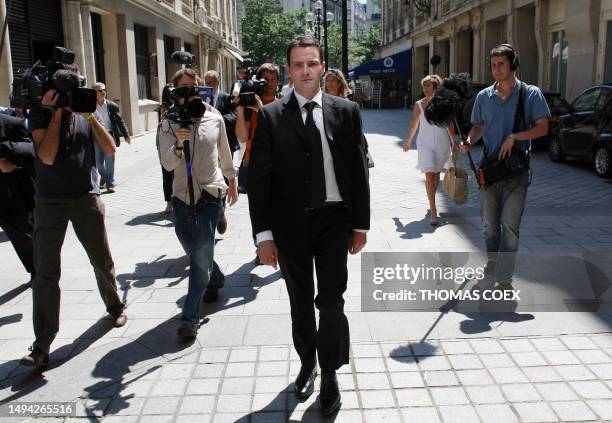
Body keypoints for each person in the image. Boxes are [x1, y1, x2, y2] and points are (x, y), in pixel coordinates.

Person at [248, 35, 370, 415]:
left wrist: (361, 225)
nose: (305, 70)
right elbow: (259, 180)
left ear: (322, 67)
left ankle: (330, 372)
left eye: (311, 63)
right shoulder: (270, 116)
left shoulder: (346, 110)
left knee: (331, 301)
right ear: (289, 70)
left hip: (335, 221)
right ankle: (307, 363)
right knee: (300, 302)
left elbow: (356, 169)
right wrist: (264, 236)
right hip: (291, 226)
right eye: (298, 64)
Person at [22, 76, 128, 367]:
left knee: (101, 260)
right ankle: (42, 344)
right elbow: (45, 156)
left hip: (86, 198)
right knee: (45, 273)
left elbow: (109, 149)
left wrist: (90, 117)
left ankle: (115, 306)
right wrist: (56, 114)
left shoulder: (85, 115)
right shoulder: (41, 116)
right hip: (49, 203)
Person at [460, 44, 549, 285]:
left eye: (501, 64)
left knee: (510, 226)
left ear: (513, 65)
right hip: (489, 169)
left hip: (516, 171)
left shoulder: (530, 94)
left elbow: (543, 127)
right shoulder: (483, 96)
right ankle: (493, 260)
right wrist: (469, 140)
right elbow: (478, 126)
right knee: (490, 226)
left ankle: (505, 275)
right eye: (493, 65)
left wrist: (515, 137)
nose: (496, 69)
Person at [159, 68, 238, 338]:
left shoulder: (214, 117)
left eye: (195, 88)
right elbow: (167, 163)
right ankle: (215, 277)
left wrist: (232, 182)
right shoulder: (168, 122)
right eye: (184, 89)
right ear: (175, 93)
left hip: (210, 194)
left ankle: (190, 317)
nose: (191, 93)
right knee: (195, 251)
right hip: (181, 195)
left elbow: (225, 153)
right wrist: (178, 144)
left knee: (200, 252)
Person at [235, 63, 281, 265]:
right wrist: (241, 109)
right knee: (258, 207)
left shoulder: (284, 104)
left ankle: (279, 246)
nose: (270, 84)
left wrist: (261, 108)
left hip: (279, 165)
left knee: (279, 209)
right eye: (265, 80)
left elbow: (279, 136)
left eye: (273, 79)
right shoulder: (248, 104)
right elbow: (242, 137)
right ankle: (261, 245)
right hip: (253, 163)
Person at [403, 74, 455, 226]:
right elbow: (414, 124)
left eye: (429, 86)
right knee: (430, 175)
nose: (426, 88)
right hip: (425, 144)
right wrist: (408, 141)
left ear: (436, 87)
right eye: (424, 85)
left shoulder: (444, 104)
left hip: (441, 144)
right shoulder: (419, 104)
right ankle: (433, 211)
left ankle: (431, 201)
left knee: (436, 176)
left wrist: (454, 144)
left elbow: (450, 125)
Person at [203, 70, 240, 236]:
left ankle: (220, 209)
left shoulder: (226, 97)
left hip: (224, 143)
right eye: (206, 82)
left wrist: (218, 120)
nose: (208, 86)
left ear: (217, 82)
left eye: (211, 83)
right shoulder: (201, 97)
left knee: (225, 177)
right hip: (207, 146)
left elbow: (235, 114)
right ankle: (216, 210)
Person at [0, 114, 36, 282]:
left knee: (28, 229)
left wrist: (13, 163)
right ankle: (33, 267)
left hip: (20, 190)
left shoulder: (12, 123)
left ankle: (41, 268)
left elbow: (32, 149)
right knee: (14, 233)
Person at [92, 82, 131, 193]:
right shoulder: (90, 106)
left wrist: (126, 134)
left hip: (109, 135)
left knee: (109, 162)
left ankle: (110, 183)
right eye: (100, 90)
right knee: (99, 163)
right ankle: (104, 176)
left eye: (104, 89)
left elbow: (120, 120)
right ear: (94, 92)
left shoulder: (112, 105)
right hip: (96, 136)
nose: (103, 92)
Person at [157, 83, 175, 214]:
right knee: (166, 174)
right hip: (164, 143)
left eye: (173, 92)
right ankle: (169, 202)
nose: (171, 95)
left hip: (178, 141)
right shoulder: (163, 108)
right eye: (168, 92)